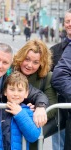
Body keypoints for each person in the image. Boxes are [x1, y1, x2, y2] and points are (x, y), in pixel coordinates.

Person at [0, 71, 41, 150]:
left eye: (20, 90)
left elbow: (33, 136)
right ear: (5, 91)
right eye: (12, 89)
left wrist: (20, 114)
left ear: (26, 94)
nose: (15, 94)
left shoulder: (28, 111)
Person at [12, 39, 57, 150]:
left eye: (35, 62)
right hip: (8, 131)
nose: (29, 65)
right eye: (27, 59)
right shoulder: (10, 70)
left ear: (42, 63)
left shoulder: (47, 77)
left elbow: (52, 106)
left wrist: (37, 109)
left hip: (31, 135)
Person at [51, 8, 71, 150]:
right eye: (67, 21)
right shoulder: (55, 50)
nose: (70, 24)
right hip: (60, 107)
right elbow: (51, 78)